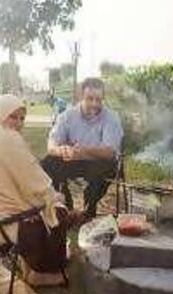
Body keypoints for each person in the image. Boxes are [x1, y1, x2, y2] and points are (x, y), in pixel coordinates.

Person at [0, 94, 69, 287]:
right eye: (13, 117)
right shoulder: (7, 139)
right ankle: (43, 272)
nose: (18, 123)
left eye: (22, 118)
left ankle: (31, 263)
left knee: (44, 204)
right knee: (59, 211)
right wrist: (55, 198)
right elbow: (35, 182)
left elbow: (16, 179)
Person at [41, 77, 123, 219]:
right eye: (90, 99)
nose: (94, 104)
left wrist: (84, 151)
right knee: (48, 162)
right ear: (81, 97)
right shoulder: (67, 116)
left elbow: (110, 152)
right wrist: (62, 150)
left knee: (108, 166)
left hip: (99, 161)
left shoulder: (111, 117)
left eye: (98, 99)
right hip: (73, 159)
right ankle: (65, 206)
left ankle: (88, 208)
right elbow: (51, 144)